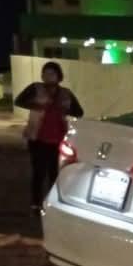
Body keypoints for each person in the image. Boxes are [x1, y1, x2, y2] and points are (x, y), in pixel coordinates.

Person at [14, 61, 83, 213]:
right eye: (44, 73)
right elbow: (19, 101)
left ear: (59, 76)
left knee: (54, 173)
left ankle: (52, 204)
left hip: (58, 139)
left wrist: (63, 111)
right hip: (37, 137)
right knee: (38, 172)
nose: (47, 76)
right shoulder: (35, 88)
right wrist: (36, 105)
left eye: (51, 73)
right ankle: (35, 204)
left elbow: (79, 112)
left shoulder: (66, 93)